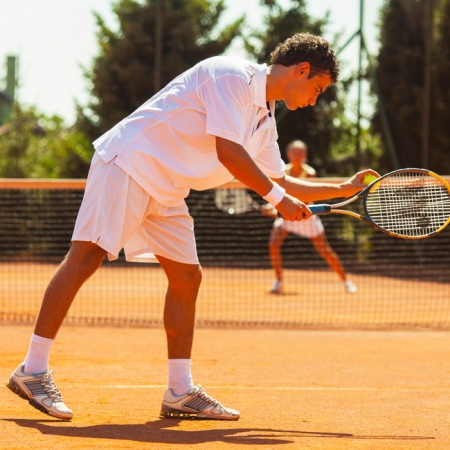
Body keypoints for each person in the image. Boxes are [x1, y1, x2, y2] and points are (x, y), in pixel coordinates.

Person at [6, 33, 378, 421]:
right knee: (86, 257)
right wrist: (279, 201)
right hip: (130, 162)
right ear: (301, 70)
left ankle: (179, 391)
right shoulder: (231, 76)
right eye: (316, 88)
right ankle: (32, 369)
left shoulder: (265, 119)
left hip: (167, 187)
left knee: (187, 276)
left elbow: (278, 179)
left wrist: (341, 188)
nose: (313, 99)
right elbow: (229, 153)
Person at [263, 140, 357, 294]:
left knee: (325, 250)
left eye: (299, 153)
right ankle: (278, 281)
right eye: (294, 153)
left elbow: (305, 198)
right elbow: (278, 193)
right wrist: (272, 206)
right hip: (286, 215)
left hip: (306, 215)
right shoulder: (282, 171)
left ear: (304, 155)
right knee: (273, 244)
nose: (296, 156)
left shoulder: (310, 172)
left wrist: (277, 209)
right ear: (288, 154)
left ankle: (346, 281)